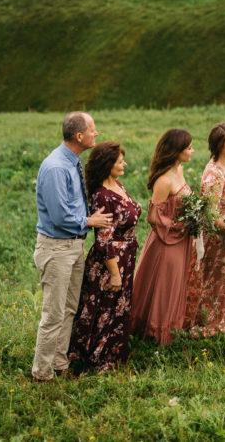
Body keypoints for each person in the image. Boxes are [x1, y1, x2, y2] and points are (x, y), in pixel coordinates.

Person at [31, 112, 113, 382]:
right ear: (79, 136)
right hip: (57, 248)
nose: (96, 133)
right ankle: (41, 374)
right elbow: (59, 216)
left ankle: (59, 363)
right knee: (53, 313)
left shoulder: (72, 161)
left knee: (68, 309)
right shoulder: (56, 167)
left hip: (73, 247)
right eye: (92, 129)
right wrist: (91, 220)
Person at [68, 141, 141, 372]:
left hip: (125, 256)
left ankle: (113, 356)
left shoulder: (117, 185)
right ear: (108, 164)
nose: (124, 164)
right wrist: (114, 273)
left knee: (118, 307)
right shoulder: (102, 195)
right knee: (104, 308)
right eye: (120, 161)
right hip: (110, 261)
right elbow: (103, 240)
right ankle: (95, 359)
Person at [131, 129, 194, 345]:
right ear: (177, 151)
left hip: (181, 239)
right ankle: (155, 334)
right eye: (188, 148)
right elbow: (153, 216)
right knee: (164, 284)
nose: (192, 151)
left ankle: (171, 328)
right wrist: (180, 225)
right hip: (166, 241)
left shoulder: (180, 170)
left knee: (175, 283)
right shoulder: (164, 180)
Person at [184, 123, 225, 336]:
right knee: (215, 283)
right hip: (219, 238)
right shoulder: (214, 173)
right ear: (219, 145)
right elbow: (211, 213)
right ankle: (210, 324)